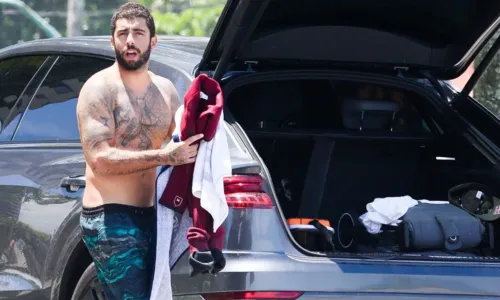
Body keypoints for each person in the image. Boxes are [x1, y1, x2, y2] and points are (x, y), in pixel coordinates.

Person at [76, 2, 203, 299]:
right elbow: (100, 159)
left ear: (153, 41)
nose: (130, 40)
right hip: (111, 218)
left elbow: (185, 142)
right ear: (113, 41)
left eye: (138, 33)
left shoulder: (167, 91)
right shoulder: (99, 89)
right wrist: (164, 157)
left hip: (156, 216)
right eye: (123, 34)